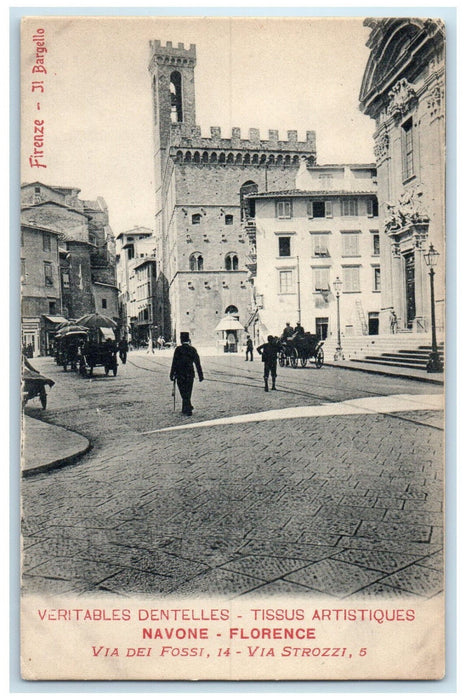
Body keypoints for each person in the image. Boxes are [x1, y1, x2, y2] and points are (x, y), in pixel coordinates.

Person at [169, 332, 204, 416]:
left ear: (181, 340)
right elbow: (197, 363)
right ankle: (187, 407)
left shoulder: (178, 350)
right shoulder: (192, 349)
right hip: (189, 374)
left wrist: (171, 374)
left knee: (183, 392)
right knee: (188, 391)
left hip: (180, 374)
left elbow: (174, 363)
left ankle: (187, 408)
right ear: (188, 340)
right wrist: (200, 375)